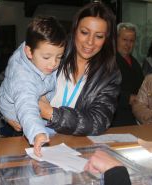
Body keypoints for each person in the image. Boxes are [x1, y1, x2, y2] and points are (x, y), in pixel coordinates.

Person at [36, 2, 121, 155]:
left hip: (73, 149)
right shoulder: (52, 50)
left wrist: (51, 113)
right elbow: (9, 83)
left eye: (99, 36)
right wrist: (10, 114)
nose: (90, 42)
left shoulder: (109, 74)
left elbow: (98, 121)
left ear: (107, 39)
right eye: (84, 32)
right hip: (34, 141)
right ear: (75, 30)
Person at [0, 16, 66, 153]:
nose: (53, 63)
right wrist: (37, 133)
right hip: (15, 109)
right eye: (47, 57)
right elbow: (26, 107)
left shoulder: (39, 53)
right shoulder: (22, 78)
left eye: (59, 57)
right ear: (29, 52)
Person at [112, 22, 144, 126]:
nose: (128, 44)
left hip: (133, 115)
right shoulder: (108, 60)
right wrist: (127, 98)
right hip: (114, 117)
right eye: (124, 40)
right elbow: (102, 89)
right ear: (116, 39)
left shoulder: (135, 62)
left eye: (131, 41)